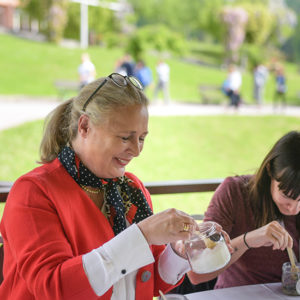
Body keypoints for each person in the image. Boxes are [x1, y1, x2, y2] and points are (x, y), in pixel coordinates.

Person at [0, 72, 218, 299]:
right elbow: (54, 288)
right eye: (125, 137)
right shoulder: (33, 192)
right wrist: (142, 236)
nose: (136, 151)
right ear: (84, 126)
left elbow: (146, 281)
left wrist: (178, 252)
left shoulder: (132, 189)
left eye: (142, 138)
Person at [188, 130, 300, 289]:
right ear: (269, 170)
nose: (294, 208)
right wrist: (249, 240)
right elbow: (196, 274)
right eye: (286, 195)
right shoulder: (234, 193)